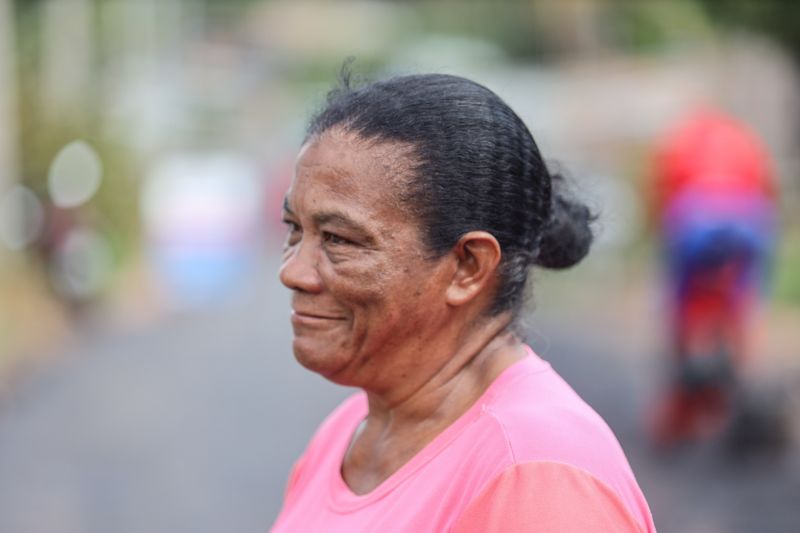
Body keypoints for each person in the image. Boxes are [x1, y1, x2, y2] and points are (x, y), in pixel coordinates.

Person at [271, 72, 655, 532]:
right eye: (295, 229)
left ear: (468, 266)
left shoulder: (537, 475)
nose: (293, 271)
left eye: (338, 239)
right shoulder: (348, 430)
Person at [649, 108, 778, 447]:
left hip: (694, 218)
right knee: (742, 306)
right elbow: (768, 187)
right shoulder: (747, 138)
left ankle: (680, 401)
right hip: (749, 219)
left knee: (679, 309)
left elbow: (660, 194)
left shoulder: (682, 139)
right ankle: (742, 387)